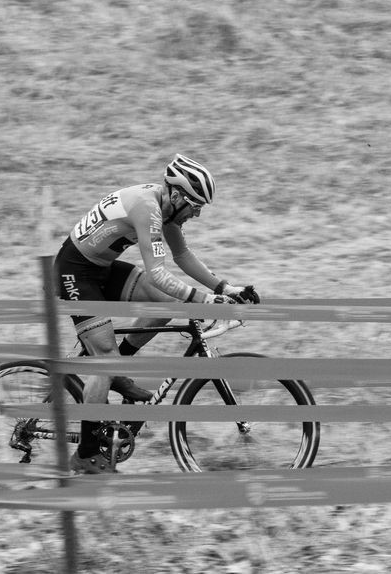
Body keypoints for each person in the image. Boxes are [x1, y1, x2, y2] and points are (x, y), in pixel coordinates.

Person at [53, 153, 260, 474]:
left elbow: (183, 255)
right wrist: (205, 300)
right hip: (75, 272)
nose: (197, 214)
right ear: (177, 196)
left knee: (166, 304)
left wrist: (225, 288)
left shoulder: (167, 209)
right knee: (104, 358)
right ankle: (87, 454)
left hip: (100, 268)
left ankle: (116, 373)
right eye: (195, 206)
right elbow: (158, 273)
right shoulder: (147, 208)